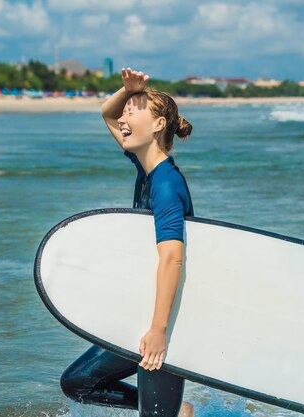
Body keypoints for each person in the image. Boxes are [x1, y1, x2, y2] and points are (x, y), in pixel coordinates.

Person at [59, 67, 195, 417]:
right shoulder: (145, 169)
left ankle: (178, 413)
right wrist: (127, 91)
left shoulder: (166, 185)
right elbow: (106, 111)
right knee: (78, 382)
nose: (123, 117)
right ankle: (182, 414)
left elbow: (172, 259)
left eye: (133, 111)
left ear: (159, 125)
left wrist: (159, 330)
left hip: (165, 320)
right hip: (141, 312)